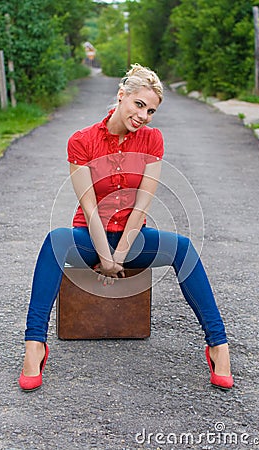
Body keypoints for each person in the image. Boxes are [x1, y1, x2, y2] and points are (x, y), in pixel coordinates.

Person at [19, 63, 233, 392]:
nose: (144, 115)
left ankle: (218, 346)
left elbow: (143, 205)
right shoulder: (82, 141)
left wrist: (119, 255)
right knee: (55, 241)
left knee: (184, 248)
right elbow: (88, 205)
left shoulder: (152, 140)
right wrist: (104, 255)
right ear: (122, 96)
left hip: (133, 240)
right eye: (139, 105)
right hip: (89, 238)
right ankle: (35, 345)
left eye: (151, 110)